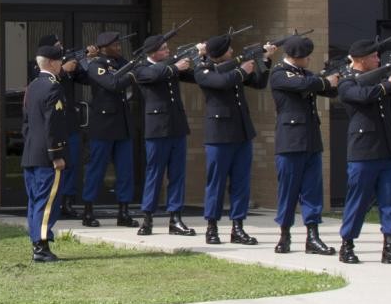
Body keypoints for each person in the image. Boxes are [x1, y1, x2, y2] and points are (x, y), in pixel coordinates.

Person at [334, 39, 391, 266]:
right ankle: (347, 244)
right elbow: (363, 96)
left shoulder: (378, 78)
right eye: (374, 57)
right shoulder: (347, 82)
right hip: (363, 150)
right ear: (361, 59)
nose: (378, 60)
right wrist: (388, 84)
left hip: (387, 148)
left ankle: (390, 246)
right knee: (357, 201)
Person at [193, 34, 272, 244]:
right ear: (219, 53)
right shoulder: (203, 70)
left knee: (241, 182)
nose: (232, 52)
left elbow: (259, 83)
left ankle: (238, 226)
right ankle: (211, 226)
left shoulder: (233, 69)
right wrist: (241, 69)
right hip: (219, 134)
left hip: (241, 131)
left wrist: (264, 60)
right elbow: (222, 83)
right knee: (216, 183)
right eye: (228, 50)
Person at [269, 35, 338, 255]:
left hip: (310, 140)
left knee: (312, 192)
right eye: (306, 57)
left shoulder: (306, 75)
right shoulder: (279, 73)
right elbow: (303, 84)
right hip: (290, 142)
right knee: (288, 192)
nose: (309, 60)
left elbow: (329, 90)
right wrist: (324, 80)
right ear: (296, 57)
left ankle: (313, 236)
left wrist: (334, 77)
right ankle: (284, 235)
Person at [129, 33, 198, 236]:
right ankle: (147, 216)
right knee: (154, 174)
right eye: (164, 49)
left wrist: (200, 57)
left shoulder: (171, 67)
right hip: (157, 128)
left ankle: (175, 217)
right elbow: (153, 75)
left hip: (177, 126)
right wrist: (175, 66)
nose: (168, 51)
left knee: (177, 174)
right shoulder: (141, 68)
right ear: (153, 52)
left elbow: (193, 76)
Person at [74, 31, 138, 227]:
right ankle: (88, 211)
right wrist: (133, 74)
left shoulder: (120, 63)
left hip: (122, 125)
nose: (118, 48)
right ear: (103, 48)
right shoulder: (96, 65)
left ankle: (124, 211)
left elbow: (129, 68)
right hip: (103, 125)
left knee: (125, 171)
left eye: (119, 45)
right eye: (114, 45)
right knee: (97, 169)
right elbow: (113, 84)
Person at [21, 42, 70, 262]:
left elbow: (26, 124)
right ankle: (41, 247)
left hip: (31, 152)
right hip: (47, 156)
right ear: (51, 63)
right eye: (59, 60)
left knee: (35, 201)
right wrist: (56, 154)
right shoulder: (53, 86)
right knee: (47, 201)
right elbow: (54, 124)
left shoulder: (32, 86)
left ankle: (36, 244)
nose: (61, 64)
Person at [36, 35, 83, 220]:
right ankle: (55, 202)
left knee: (71, 163)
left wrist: (79, 65)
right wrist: (63, 70)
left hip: (69, 122)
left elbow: (85, 78)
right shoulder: (40, 68)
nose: (61, 48)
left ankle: (68, 202)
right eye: (57, 46)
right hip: (53, 127)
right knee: (54, 166)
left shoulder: (68, 61)